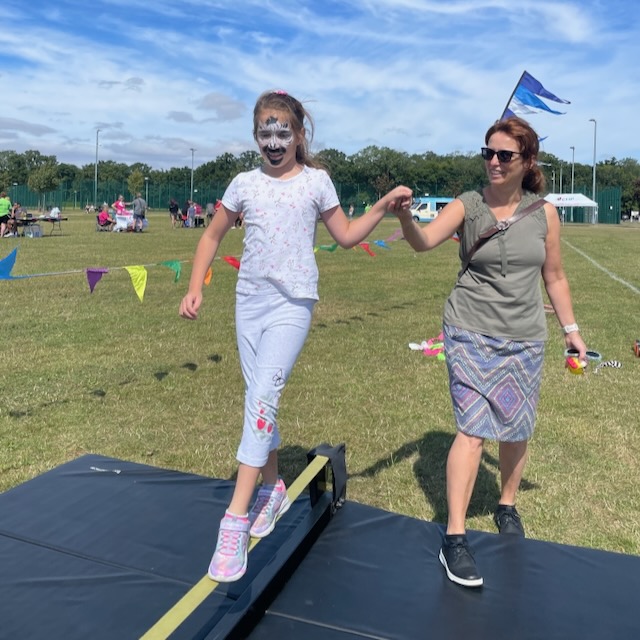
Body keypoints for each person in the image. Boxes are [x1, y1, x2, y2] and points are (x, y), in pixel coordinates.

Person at [179, 89, 411, 583]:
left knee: (264, 396)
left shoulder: (317, 183)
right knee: (256, 399)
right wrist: (195, 286)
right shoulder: (243, 183)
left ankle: (235, 520)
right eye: (265, 131)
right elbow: (210, 236)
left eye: (283, 130)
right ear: (255, 137)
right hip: (249, 303)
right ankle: (271, 487)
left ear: (300, 135)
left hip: (293, 304)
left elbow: (346, 236)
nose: (274, 140)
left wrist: (384, 206)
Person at [394, 116, 586, 589]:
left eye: (504, 155)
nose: (494, 162)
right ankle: (454, 538)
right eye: (488, 153)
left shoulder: (545, 213)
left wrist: (571, 329)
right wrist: (404, 216)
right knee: (473, 428)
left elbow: (555, 276)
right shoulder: (468, 204)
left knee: (515, 427)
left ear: (528, 162)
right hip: (468, 330)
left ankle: (506, 505)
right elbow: (423, 242)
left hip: (524, 336)